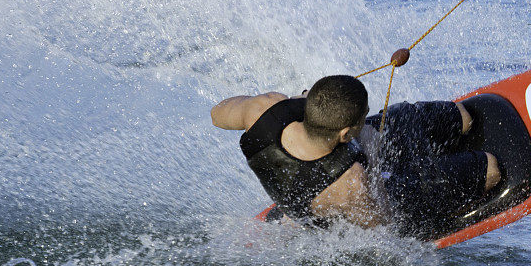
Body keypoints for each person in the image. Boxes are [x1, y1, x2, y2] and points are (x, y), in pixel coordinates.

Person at [211, 74, 501, 235]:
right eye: (363, 117)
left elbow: (217, 113)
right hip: (368, 193)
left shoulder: (265, 108)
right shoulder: (350, 183)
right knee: (490, 169)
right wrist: (374, 161)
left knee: (462, 117)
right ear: (345, 133)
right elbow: (386, 230)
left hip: (328, 161)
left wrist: (294, 101)